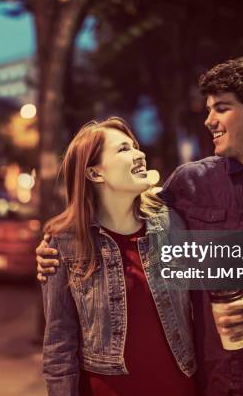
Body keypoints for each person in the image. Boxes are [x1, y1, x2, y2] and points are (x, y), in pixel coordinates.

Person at [37, 56, 243, 396]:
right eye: (208, 109)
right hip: (215, 383)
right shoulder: (189, 183)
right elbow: (127, 216)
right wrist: (59, 246)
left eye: (221, 109)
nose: (209, 120)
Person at [41, 117, 198, 396]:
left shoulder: (172, 223)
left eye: (136, 146)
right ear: (94, 173)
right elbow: (59, 345)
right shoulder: (64, 243)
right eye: (124, 149)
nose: (140, 154)